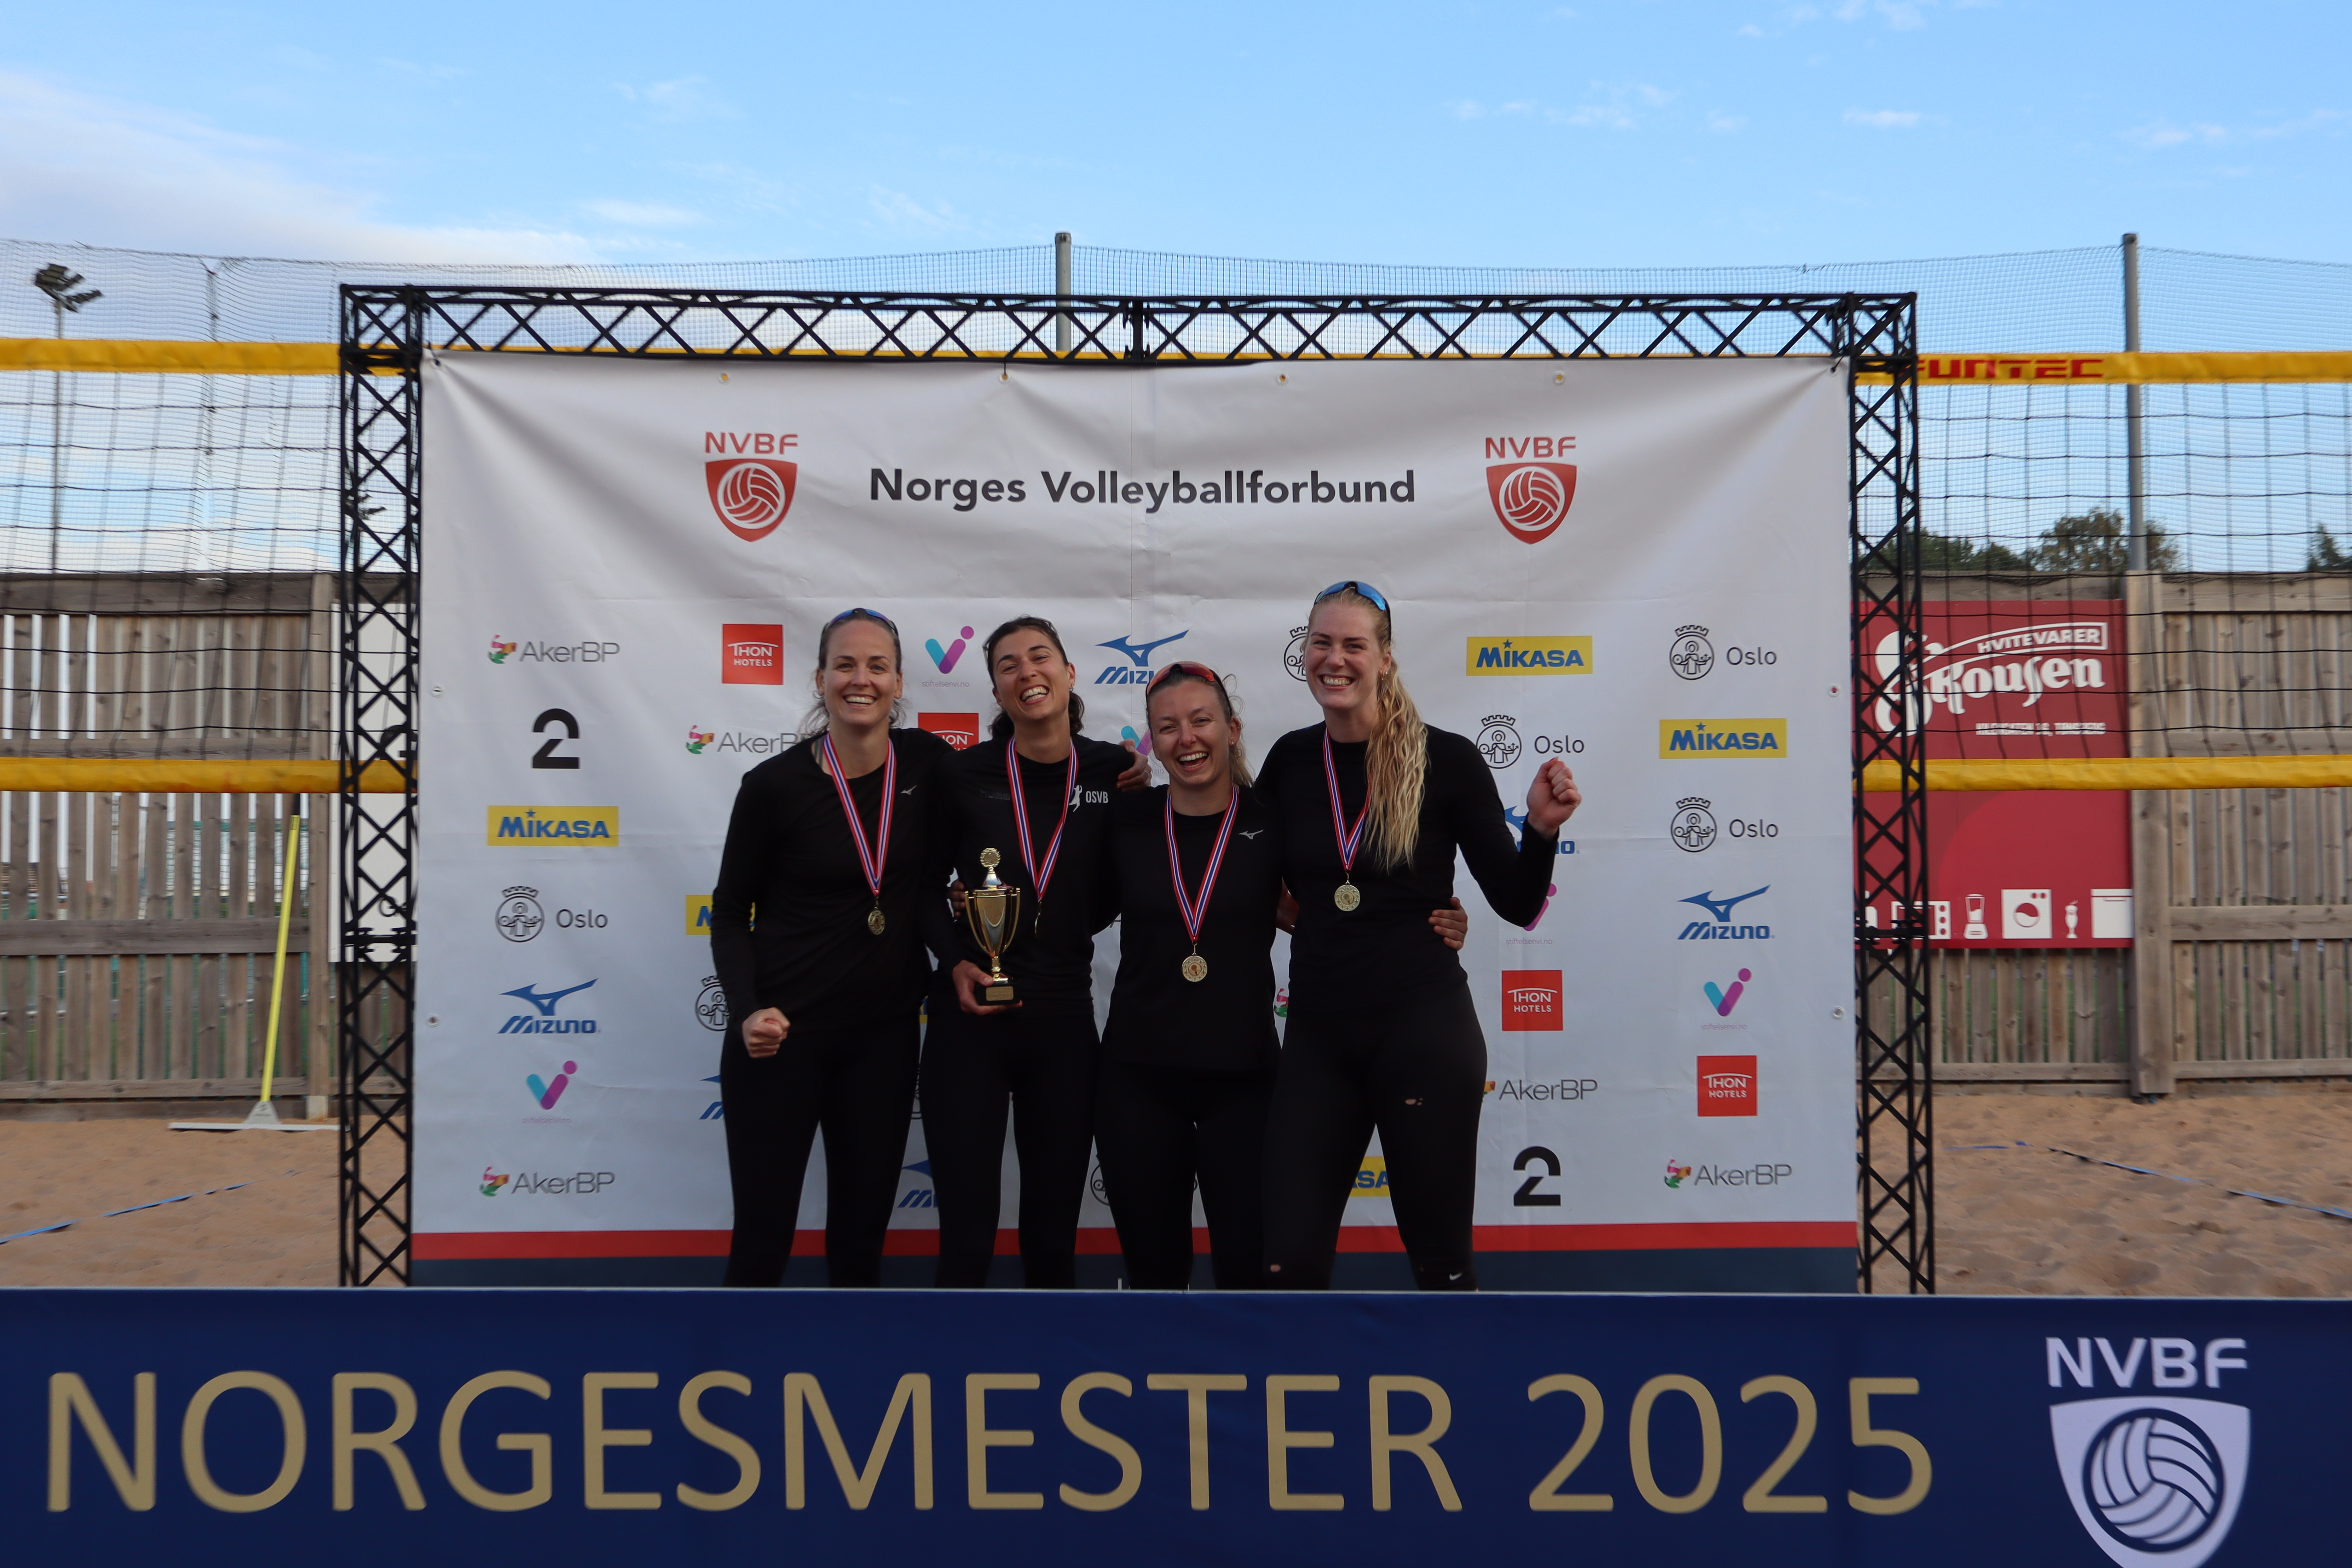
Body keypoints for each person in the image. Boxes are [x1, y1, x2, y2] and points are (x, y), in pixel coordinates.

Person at [1098, 661, 1471, 1290]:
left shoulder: (1275, 822)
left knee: (1251, 1277)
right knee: (1152, 1276)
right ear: (1153, 742)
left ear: (1232, 728)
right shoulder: (1124, 822)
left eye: (1201, 721)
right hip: (1137, 1078)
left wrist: (1432, 923)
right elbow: (1069, 912)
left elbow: (1341, 901)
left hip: (1244, 1082)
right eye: (1167, 728)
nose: (1186, 739)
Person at [1255, 581, 1580, 1291]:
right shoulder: (1288, 762)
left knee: (1440, 1265)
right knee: (1286, 1263)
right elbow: (1247, 870)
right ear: (1303, 652)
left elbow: (1519, 903)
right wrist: (1286, 905)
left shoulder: (1448, 759)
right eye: (1321, 643)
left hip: (1422, 1036)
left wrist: (1543, 831)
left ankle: (1454, 1397)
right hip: (1316, 1038)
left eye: (1353, 645)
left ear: (1386, 658)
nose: (1334, 659)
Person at [707, 608, 953, 1287]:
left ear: (899, 681)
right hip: (781, 1040)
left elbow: (1022, 775)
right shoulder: (772, 788)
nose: (861, 679)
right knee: (762, 1241)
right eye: (845, 664)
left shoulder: (931, 765)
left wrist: (1116, 777)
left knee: (859, 1245)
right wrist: (747, 1010)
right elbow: (729, 913)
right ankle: (734, 1386)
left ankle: (848, 1388)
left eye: (877, 666)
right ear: (820, 679)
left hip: (883, 1040)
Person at [920, 615, 1139, 1288]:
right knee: (966, 1234)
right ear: (997, 689)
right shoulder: (961, 774)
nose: (1027, 672)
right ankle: (955, 1383)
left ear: (1070, 674)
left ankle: (1051, 1385)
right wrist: (956, 958)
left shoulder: (1116, 772)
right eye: (1008, 665)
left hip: (1065, 1022)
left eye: (1040, 657)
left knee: (1051, 1238)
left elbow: (1120, 888)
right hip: (968, 1022)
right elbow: (920, 888)